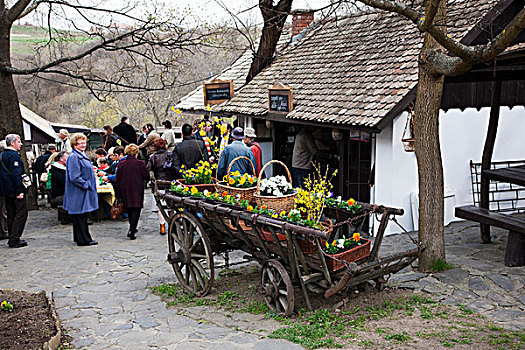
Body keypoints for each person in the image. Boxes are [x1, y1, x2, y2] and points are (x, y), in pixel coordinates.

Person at [63, 133, 98, 246]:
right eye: (80, 143)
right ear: (74, 144)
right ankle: (84, 239)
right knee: (80, 216)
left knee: (81, 216)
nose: (83, 145)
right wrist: (86, 184)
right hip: (78, 192)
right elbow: (74, 176)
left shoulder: (81, 154)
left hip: (81, 191)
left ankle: (81, 238)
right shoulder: (74, 157)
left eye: (84, 143)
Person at [0, 134, 29, 248]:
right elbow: (16, 175)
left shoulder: (2, 155)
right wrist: (19, 191)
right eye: (19, 142)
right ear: (12, 143)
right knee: (21, 213)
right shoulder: (13, 156)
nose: (21, 144)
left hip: (6, 190)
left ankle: (12, 235)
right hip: (14, 190)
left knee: (11, 213)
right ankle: (15, 237)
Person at [115, 144, 149, 240]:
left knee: (129, 208)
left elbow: (118, 179)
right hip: (137, 188)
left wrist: (118, 194)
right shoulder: (140, 163)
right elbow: (146, 176)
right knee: (136, 208)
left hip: (125, 189)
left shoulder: (121, 164)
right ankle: (132, 228)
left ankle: (132, 226)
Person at [147, 138, 172, 235]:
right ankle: (172, 223)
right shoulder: (170, 155)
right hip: (170, 182)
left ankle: (162, 226)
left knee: (160, 206)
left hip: (159, 183)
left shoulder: (153, 157)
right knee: (171, 205)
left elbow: (148, 169)